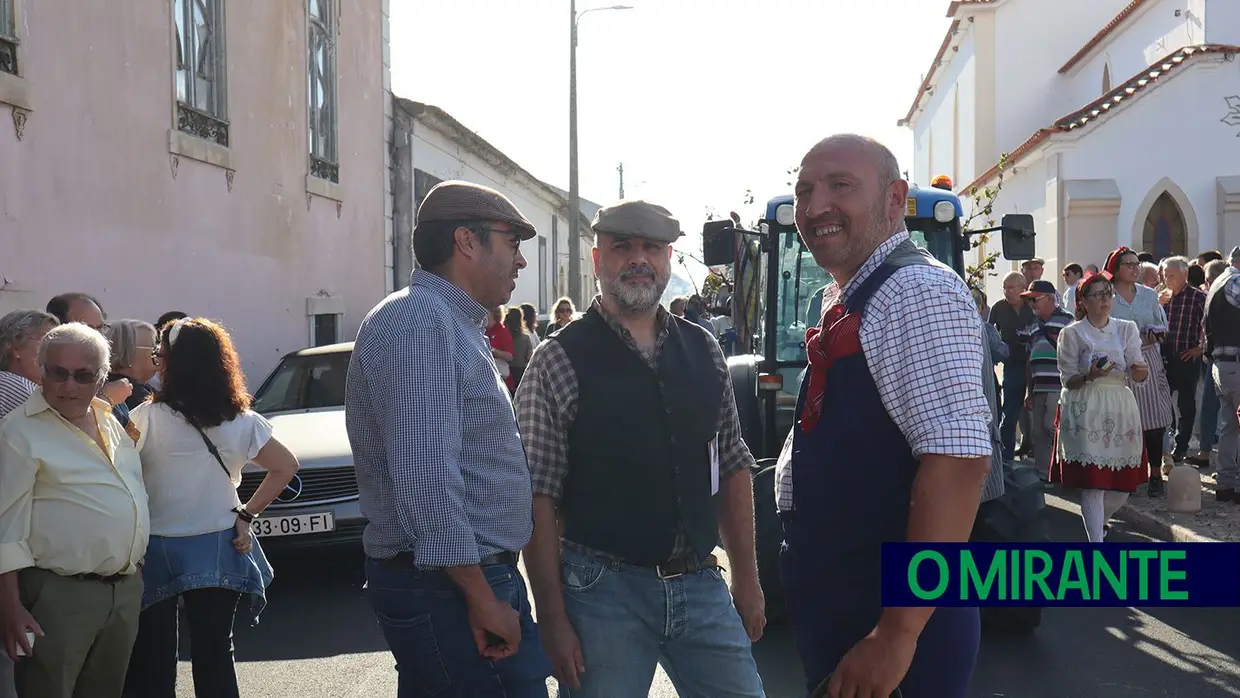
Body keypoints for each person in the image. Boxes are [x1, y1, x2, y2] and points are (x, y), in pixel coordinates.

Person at [516, 199, 765, 698]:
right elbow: (534, 498)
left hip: (699, 581)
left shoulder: (704, 348)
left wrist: (748, 579)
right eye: (621, 247)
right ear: (596, 260)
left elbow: (733, 466)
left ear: (668, 258)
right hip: (602, 590)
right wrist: (552, 616)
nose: (638, 259)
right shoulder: (557, 359)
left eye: (651, 247)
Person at [776, 135, 996, 698]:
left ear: (895, 200)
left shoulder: (917, 291)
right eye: (804, 191)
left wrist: (897, 632)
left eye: (840, 186)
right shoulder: (853, 295)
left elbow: (958, 462)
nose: (815, 205)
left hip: (887, 615)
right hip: (849, 599)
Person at [345, 180, 552, 697]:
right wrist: (481, 596)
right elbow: (425, 478)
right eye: (513, 243)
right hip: (452, 587)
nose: (521, 262)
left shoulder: (447, 322)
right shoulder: (420, 322)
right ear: (466, 241)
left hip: (453, 583)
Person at [124, 318, 298, 698]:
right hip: (218, 544)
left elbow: (123, 479)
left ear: (171, 364)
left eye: (160, 356)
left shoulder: (143, 418)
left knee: (153, 656)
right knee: (215, 651)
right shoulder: (243, 421)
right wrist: (247, 515)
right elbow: (285, 466)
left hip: (154, 547)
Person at [0, 323, 148, 698]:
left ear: (101, 377)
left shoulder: (107, 418)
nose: (68, 386)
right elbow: (5, 526)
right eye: (57, 373)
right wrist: (10, 607)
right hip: (58, 596)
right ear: (41, 368)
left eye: (82, 376)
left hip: (122, 591)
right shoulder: (18, 432)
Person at [1050, 271, 1149, 539]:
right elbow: (1068, 380)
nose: (1105, 299)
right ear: (1083, 301)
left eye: (1108, 293)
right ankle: (1096, 544)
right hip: (1086, 405)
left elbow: (1138, 373)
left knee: (1122, 487)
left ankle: (1099, 523)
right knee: (1093, 483)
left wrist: (1140, 370)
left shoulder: (1126, 328)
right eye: (1098, 294)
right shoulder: (1072, 333)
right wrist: (1090, 375)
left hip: (1118, 405)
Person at [1105, 247, 1174, 497]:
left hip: (1147, 357)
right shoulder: (1106, 295)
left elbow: (1163, 326)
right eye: (1129, 264)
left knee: (1153, 420)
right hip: (1117, 361)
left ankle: (1155, 473)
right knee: (1121, 420)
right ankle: (1125, 473)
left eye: (1137, 264)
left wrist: (1156, 332)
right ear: (1116, 269)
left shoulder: (1148, 295)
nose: (1136, 268)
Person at [1021, 280, 1074, 476]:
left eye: (1035, 299)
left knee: (1051, 426)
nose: (1032, 304)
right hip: (1039, 386)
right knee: (1038, 432)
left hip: (1059, 385)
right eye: (1029, 301)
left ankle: (1067, 468)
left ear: (1051, 299)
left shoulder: (1068, 320)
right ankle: (1045, 473)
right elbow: (1029, 359)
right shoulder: (1034, 327)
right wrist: (1029, 391)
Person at [1203, 258, 1240, 503]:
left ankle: (1226, 485)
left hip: (1221, 364)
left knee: (1229, 426)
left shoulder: (1218, 281)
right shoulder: (1236, 281)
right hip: (1235, 362)